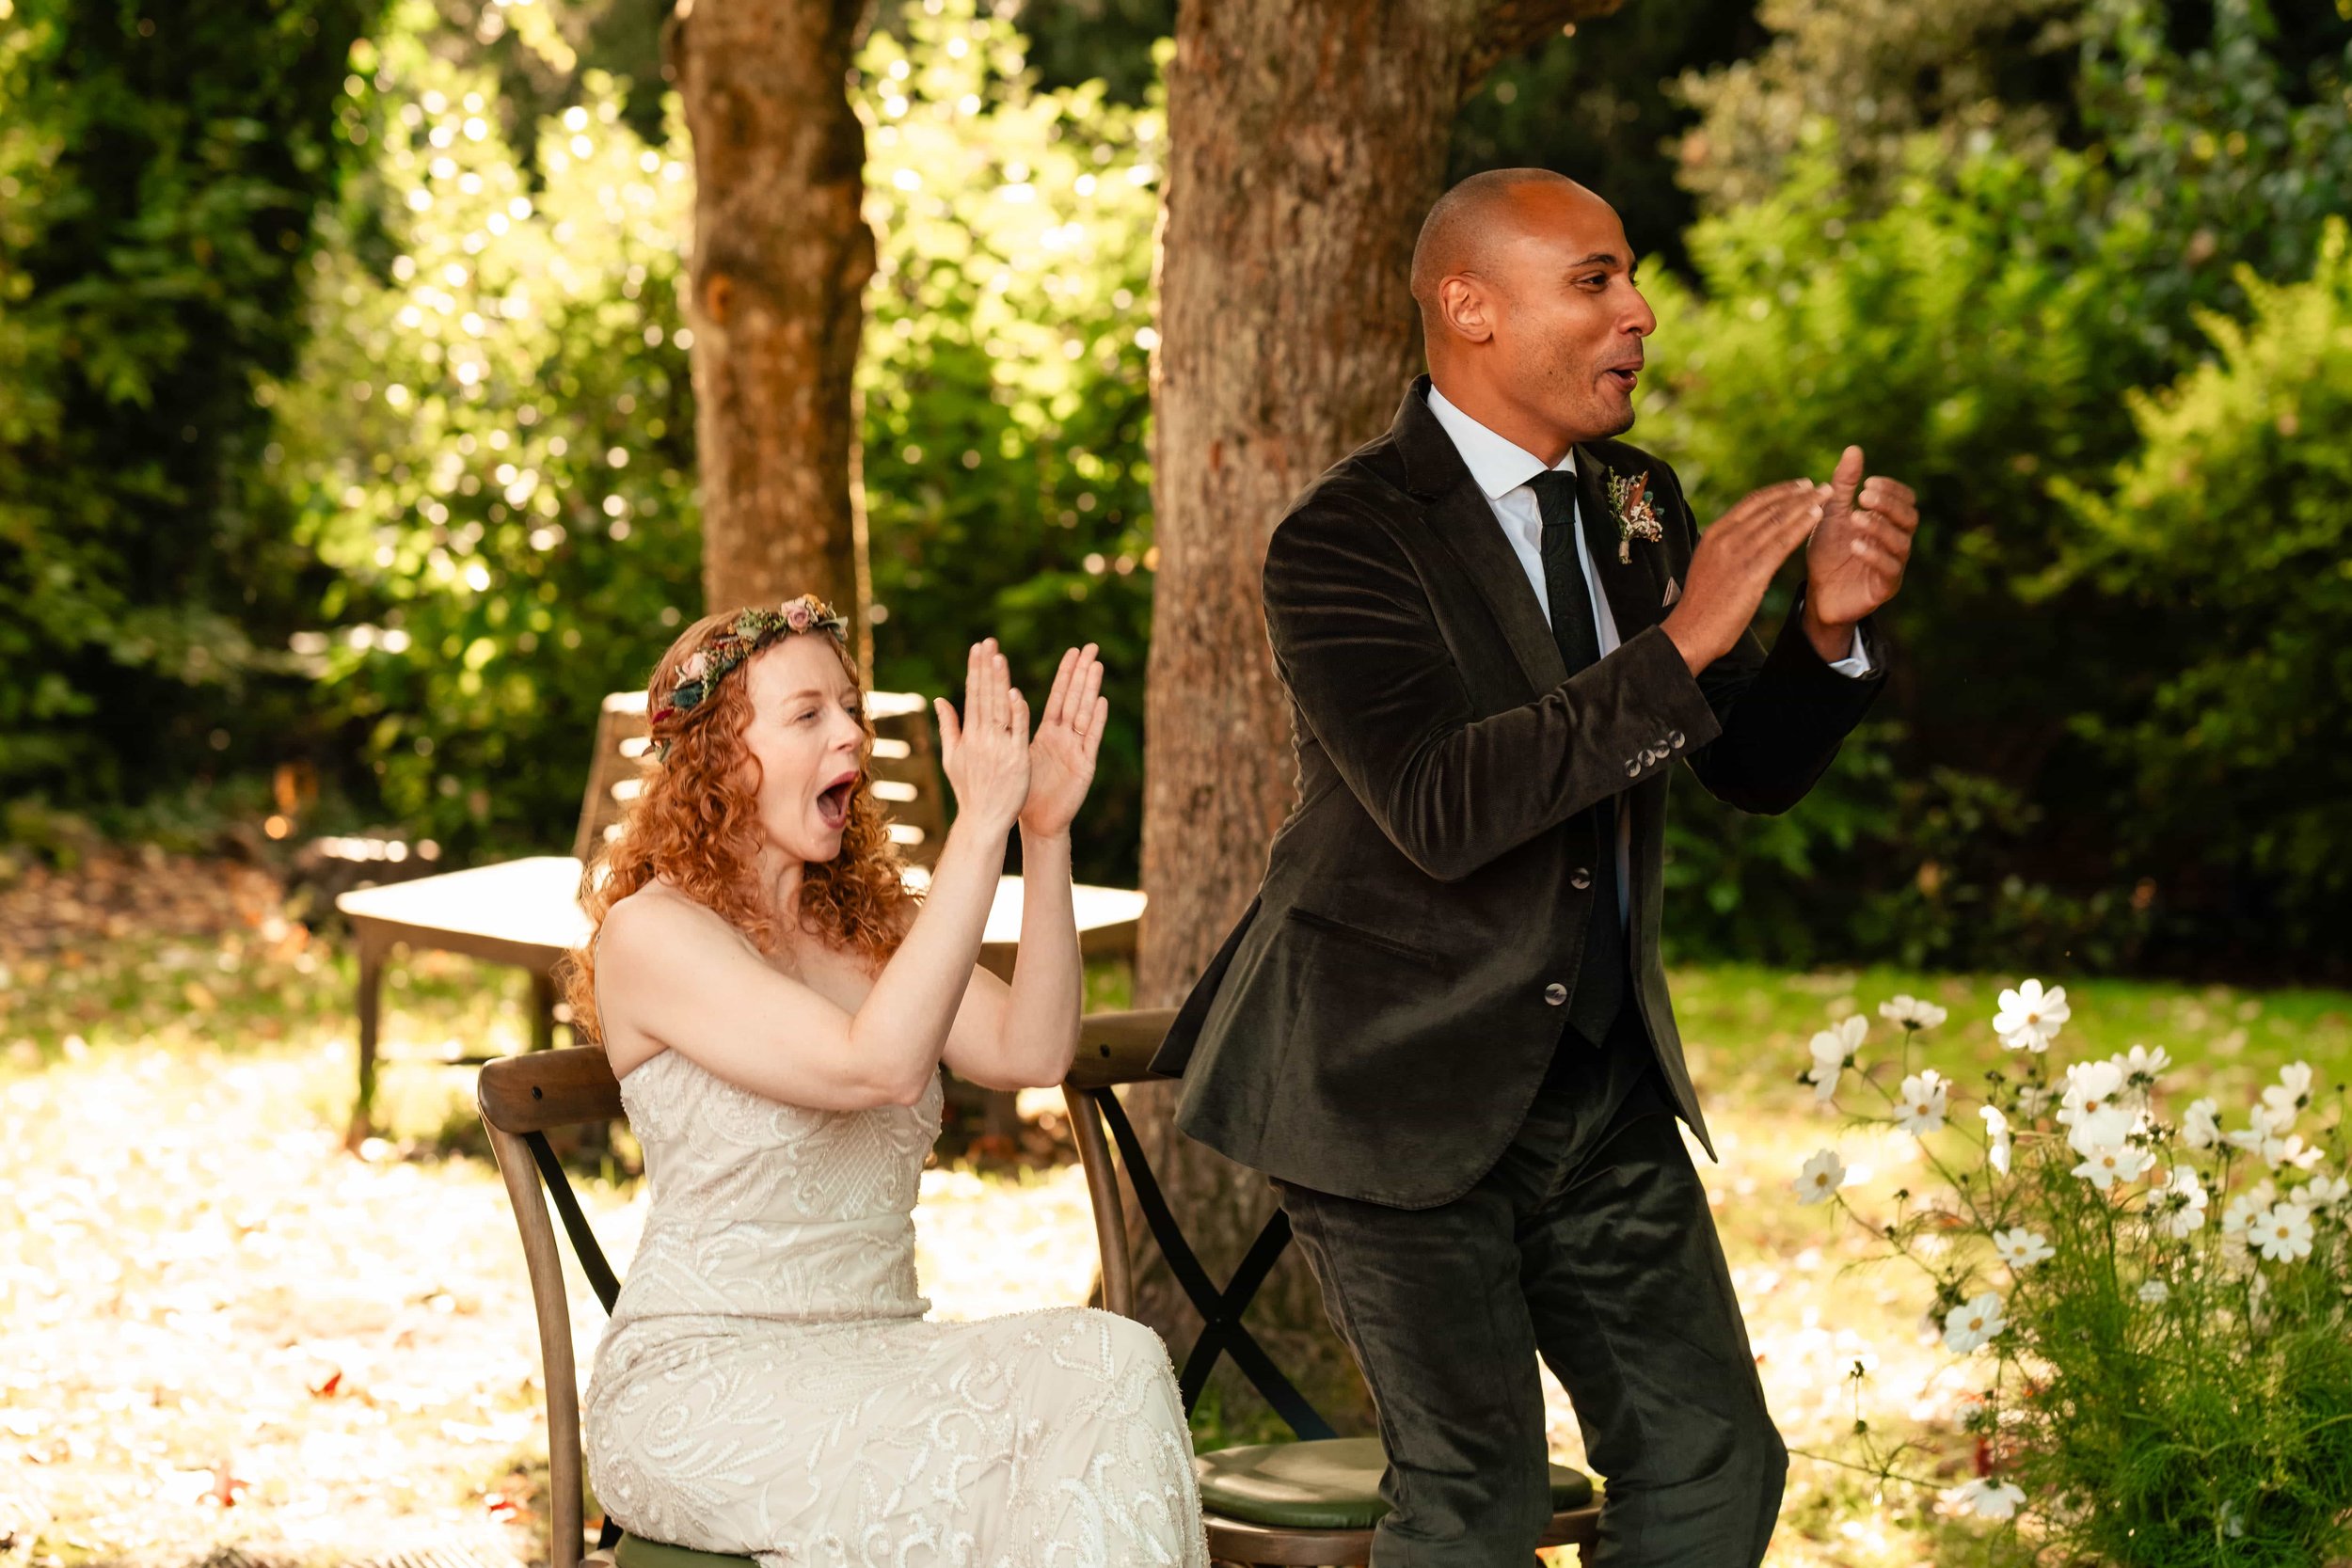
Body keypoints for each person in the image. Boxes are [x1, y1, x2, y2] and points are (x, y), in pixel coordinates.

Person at [1152, 169, 1921, 1566]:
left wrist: (1823, 639)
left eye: (1630, 278)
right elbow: (1445, 804)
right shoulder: (1344, 538)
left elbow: (1737, 762)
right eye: (1594, 280)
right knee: (1476, 1498)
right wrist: (1679, 643)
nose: (1638, 312)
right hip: (1387, 1082)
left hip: (1597, 1077)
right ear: (1470, 308)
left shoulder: (1637, 497)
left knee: (1713, 1468)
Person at [566, 596, 1206, 1567]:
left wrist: (1041, 834)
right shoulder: (653, 934)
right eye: (809, 713)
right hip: (704, 1379)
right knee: (986, 1471)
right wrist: (976, 827)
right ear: (720, 755)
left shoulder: (871, 927)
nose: (852, 733)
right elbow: (876, 1062)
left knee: (1112, 1362)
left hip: (880, 1352)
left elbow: (1033, 1050)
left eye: (852, 707)